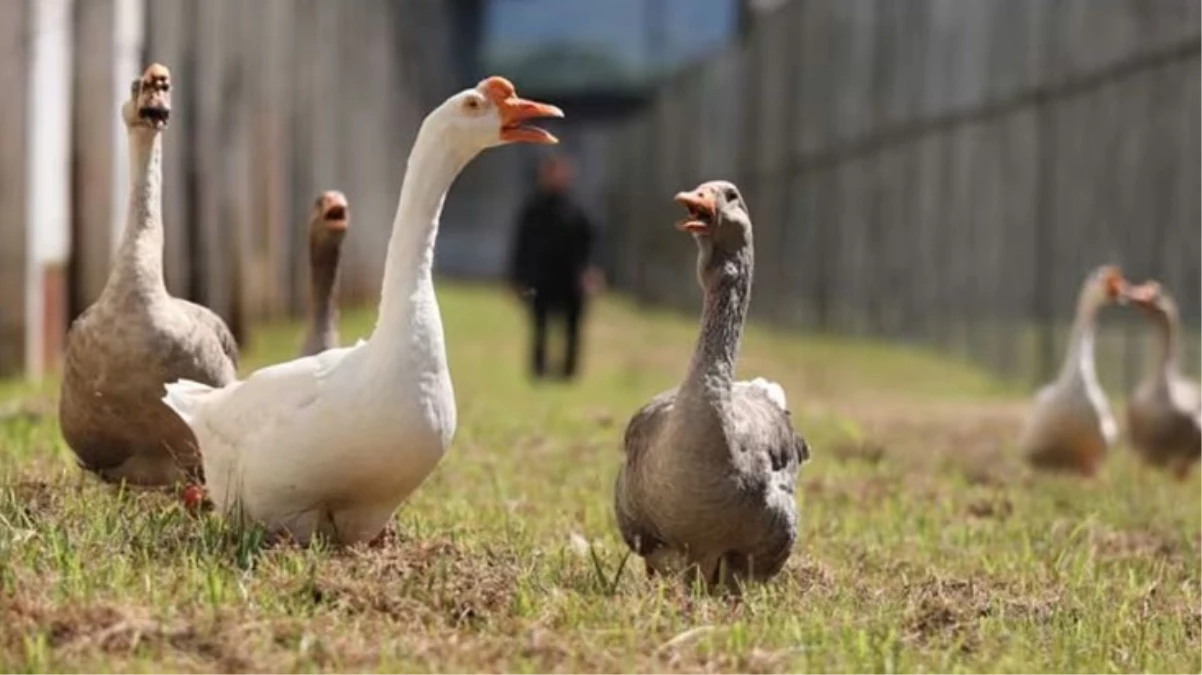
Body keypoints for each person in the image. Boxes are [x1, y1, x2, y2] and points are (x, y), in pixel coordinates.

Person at [508, 154, 601, 381]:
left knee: (572, 330)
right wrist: (517, 276)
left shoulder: (579, 210)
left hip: (571, 280)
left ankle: (568, 373)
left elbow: (592, 244)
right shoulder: (532, 210)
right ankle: (538, 371)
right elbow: (520, 245)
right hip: (541, 279)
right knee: (540, 328)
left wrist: (591, 272)